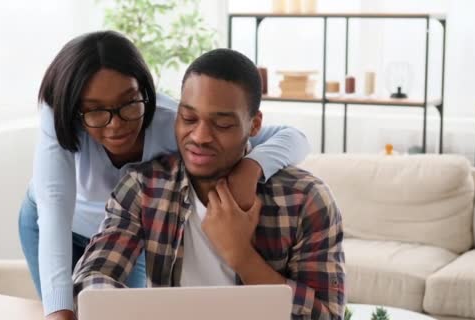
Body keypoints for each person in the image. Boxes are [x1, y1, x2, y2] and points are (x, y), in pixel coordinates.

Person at [18, 31, 311, 320]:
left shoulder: (178, 122)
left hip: (123, 228)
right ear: (74, 109)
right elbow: (54, 205)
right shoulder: (58, 117)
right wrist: (59, 311)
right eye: (95, 111)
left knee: (131, 312)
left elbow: (292, 136)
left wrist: (252, 167)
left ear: (144, 90)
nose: (116, 125)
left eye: (129, 103)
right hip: (52, 224)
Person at [72, 48, 345, 320]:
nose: (200, 137)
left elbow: (328, 316)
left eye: (222, 124)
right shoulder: (145, 188)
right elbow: (91, 278)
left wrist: (240, 255)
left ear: (254, 125)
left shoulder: (306, 200)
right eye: (189, 118)